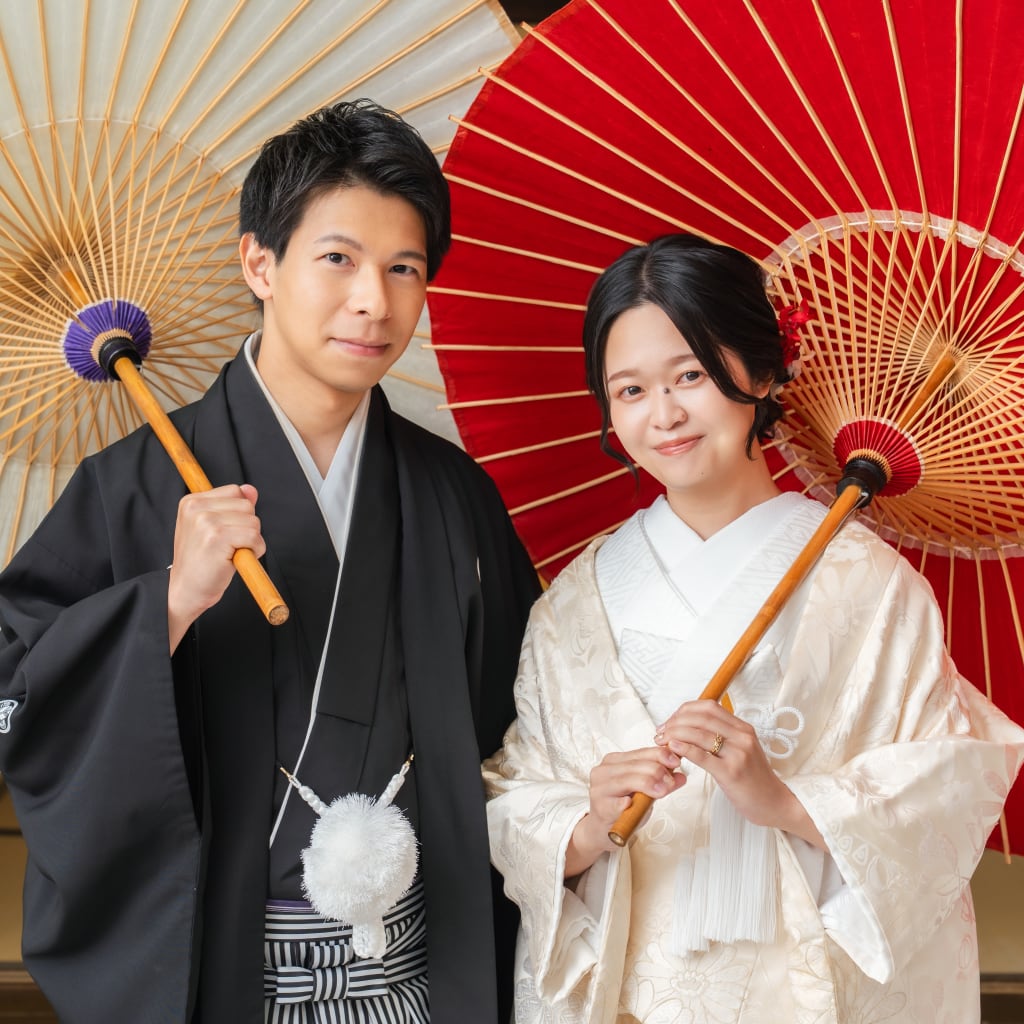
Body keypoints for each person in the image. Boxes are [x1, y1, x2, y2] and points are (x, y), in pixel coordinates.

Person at [0, 99, 540, 1023]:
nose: (374, 301)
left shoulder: (454, 494)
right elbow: (17, 691)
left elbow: (521, 726)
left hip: (414, 976)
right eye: (338, 259)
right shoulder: (130, 489)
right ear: (260, 263)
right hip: (226, 976)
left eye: (404, 268)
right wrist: (167, 605)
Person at [483, 233, 1024, 1023]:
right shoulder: (574, 602)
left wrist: (785, 800)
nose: (664, 415)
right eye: (630, 390)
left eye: (691, 375)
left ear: (763, 373)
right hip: (632, 979)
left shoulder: (867, 584)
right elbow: (515, 794)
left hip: (803, 982)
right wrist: (587, 823)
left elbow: (945, 782)